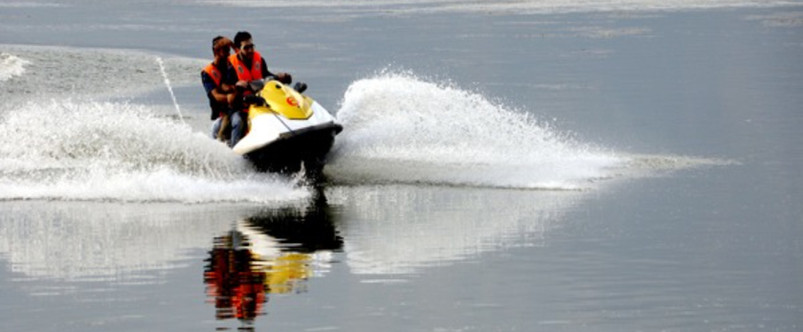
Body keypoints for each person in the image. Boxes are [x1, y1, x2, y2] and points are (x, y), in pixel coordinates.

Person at [226, 31, 295, 147]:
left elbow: (266, 77)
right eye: (246, 48)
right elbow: (229, 92)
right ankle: (235, 154)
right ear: (238, 49)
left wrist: (281, 78)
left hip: (260, 103)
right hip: (240, 106)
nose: (250, 50)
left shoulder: (259, 60)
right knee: (238, 122)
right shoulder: (231, 67)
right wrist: (239, 90)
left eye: (251, 46)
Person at [202, 36, 236, 144]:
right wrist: (230, 98)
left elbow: (242, 55)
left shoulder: (233, 65)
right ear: (216, 51)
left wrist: (232, 44)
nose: (228, 53)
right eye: (226, 50)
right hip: (224, 112)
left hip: (241, 105)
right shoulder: (207, 72)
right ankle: (227, 153)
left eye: (229, 50)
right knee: (228, 122)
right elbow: (216, 96)